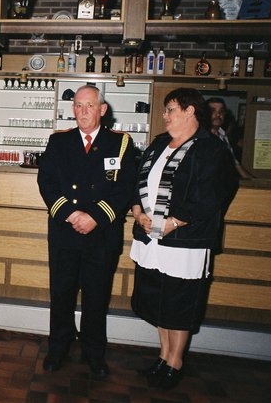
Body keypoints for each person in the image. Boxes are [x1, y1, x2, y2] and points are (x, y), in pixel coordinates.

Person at [130, 88, 238, 390]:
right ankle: (163, 355)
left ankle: (175, 362)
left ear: (190, 111)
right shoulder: (159, 143)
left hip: (185, 240)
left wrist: (175, 222)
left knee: (179, 303)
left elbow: (213, 195)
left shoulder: (210, 148)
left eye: (171, 109)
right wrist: (138, 211)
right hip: (152, 237)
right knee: (159, 301)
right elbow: (138, 180)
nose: (165, 115)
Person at [37, 85, 137, 377]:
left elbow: (125, 187)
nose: (82, 111)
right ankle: (58, 348)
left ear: (102, 109)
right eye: (78, 105)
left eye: (89, 105)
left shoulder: (120, 143)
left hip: (101, 234)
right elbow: (46, 183)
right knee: (62, 294)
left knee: (96, 297)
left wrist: (95, 217)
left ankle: (94, 353)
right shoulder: (59, 141)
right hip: (65, 232)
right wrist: (70, 214)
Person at [206, 97, 253, 179]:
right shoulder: (201, 136)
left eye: (221, 111)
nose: (218, 115)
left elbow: (235, 163)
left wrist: (254, 181)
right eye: (213, 111)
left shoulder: (223, 135)